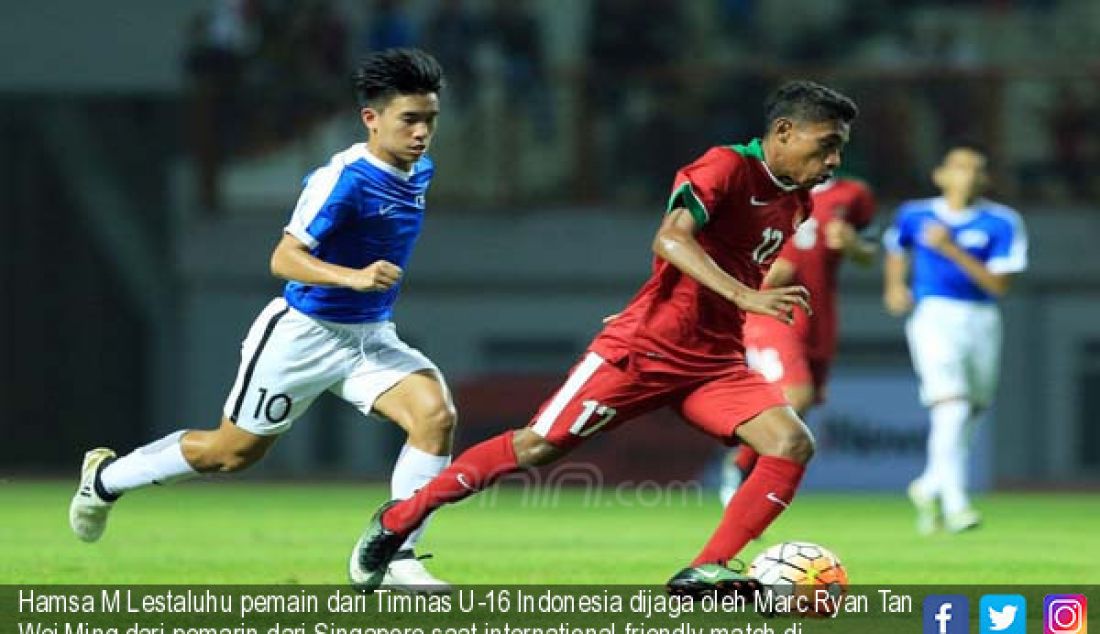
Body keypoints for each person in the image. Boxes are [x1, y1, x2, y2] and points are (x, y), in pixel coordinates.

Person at [348, 80, 859, 595]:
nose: (834, 160)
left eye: (839, 148)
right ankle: (397, 521)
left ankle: (703, 569)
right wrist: (740, 299)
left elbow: (713, 263)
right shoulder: (724, 166)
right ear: (784, 131)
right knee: (537, 447)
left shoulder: (798, 203)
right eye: (826, 145)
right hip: (642, 352)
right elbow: (670, 237)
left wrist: (711, 298)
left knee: (790, 442)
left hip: (714, 362)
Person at [69, 48, 456, 591]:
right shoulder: (341, 180)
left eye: (429, 121)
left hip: (368, 338)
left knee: (434, 416)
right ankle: (105, 479)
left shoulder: (421, 169)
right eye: (409, 120)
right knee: (230, 454)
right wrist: (353, 277)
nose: (421, 133)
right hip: (303, 334)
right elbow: (283, 258)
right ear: (371, 119)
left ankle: (395, 554)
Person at [882, 143, 1028, 534]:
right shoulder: (915, 214)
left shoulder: (1002, 222)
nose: (969, 175)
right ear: (941, 175)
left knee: (973, 409)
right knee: (953, 404)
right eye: (960, 168)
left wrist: (951, 249)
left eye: (977, 169)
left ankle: (929, 485)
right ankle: (957, 502)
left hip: (981, 317)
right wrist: (895, 286)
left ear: (986, 179)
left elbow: (998, 284)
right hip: (934, 315)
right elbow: (896, 249)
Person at [721, 176, 878, 504]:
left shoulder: (853, 195)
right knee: (798, 395)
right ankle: (738, 469)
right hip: (771, 312)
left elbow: (869, 254)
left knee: (797, 414)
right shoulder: (759, 189)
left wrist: (853, 245)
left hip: (820, 317)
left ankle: (749, 479)